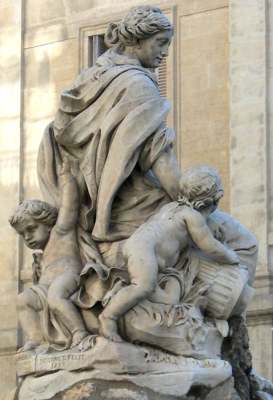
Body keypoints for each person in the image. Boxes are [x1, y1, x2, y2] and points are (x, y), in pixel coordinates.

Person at [37, 6, 181, 268]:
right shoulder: (138, 86)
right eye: (160, 43)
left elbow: (57, 132)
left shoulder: (90, 77)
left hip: (83, 201)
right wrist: (186, 198)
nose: (165, 52)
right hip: (127, 203)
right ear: (137, 41)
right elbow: (158, 154)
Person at [99, 166, 240, 342]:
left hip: (141, 247)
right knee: (143, 286)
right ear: (208, 202)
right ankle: (109, 317)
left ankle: (128, 296)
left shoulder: (171, 207)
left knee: (170, 299)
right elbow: (210, 246)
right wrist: (230, 256)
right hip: (144, 250)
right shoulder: (191, 217)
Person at [9, 158, 91, 352]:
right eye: (23, 234)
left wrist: (66, 178)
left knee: (56, 297)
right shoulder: (40, 255)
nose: (27, 237)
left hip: (68, 276)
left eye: (31, 229)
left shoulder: (60, 232)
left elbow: (69, 206)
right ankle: (36, 339)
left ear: (47, 223)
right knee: (23, 299)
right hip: (46, 286)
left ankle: (79, 332)